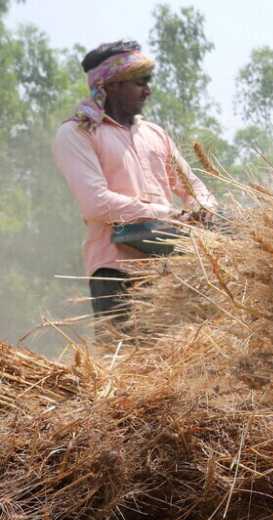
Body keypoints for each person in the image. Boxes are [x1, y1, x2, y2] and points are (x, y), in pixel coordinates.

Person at [52, 39, 215, 333]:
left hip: (168, 271)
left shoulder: (155, 134)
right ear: (111, 85)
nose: (148, 90)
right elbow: (96, 204)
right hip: (116, 273)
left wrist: (204, 211)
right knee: (127, 367)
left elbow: (193, 187)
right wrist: (170, 214)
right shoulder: (77, 133)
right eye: (139, 82)